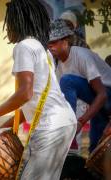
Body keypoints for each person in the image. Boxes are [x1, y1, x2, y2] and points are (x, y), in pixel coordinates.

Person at [0, 0, 76, 179]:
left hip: (50, 127)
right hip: (65, 122)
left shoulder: (24, 47)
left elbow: (25, 94)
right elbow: (32, 104)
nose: (7, 27)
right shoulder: (42, 49)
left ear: (18, 21)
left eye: (8, 21)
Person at [48, 19, 111, 152]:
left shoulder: (81, 55)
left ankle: (69, 127)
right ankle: (68, 134)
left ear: (65, 41)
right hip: (98, 104)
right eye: (48, 43)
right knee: (95, 149)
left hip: (107, 96)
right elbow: (61, 100)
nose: (50, 46)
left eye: (53, 42)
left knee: (67, 81)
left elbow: (102, 94)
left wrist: (80, 122)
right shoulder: (59, 66)